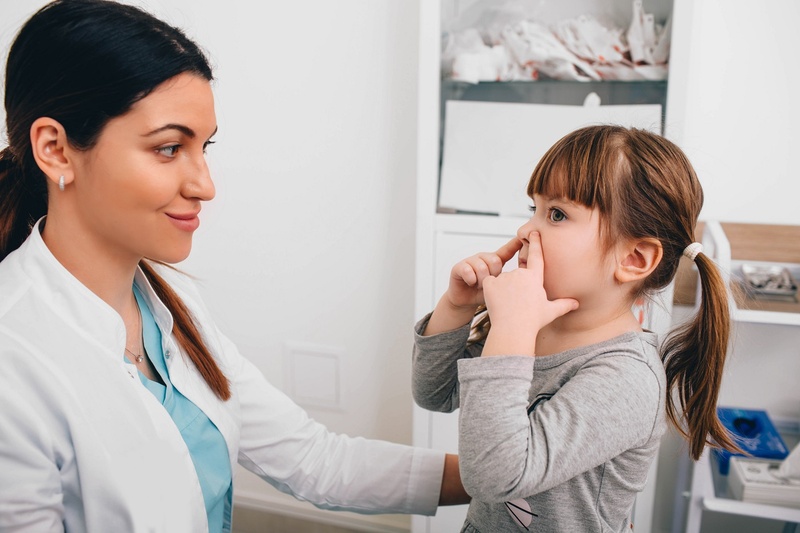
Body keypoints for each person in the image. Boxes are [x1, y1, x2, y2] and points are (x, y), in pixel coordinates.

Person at [0, 1, 469, 531]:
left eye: (204, 147)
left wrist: (509, 471)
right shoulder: (13, 364)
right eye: (169, 148)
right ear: (56, 150)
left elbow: (315, 460)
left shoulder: (170, 311)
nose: (205, 185)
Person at [412, 125, 740, 532]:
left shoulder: (626, 377)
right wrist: (456, 306)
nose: (525, 231)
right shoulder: (527, 325)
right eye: (532, 208)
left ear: (634, 259)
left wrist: (512, 329)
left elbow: (494, 477)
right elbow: (435, 393)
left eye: (557, 214)